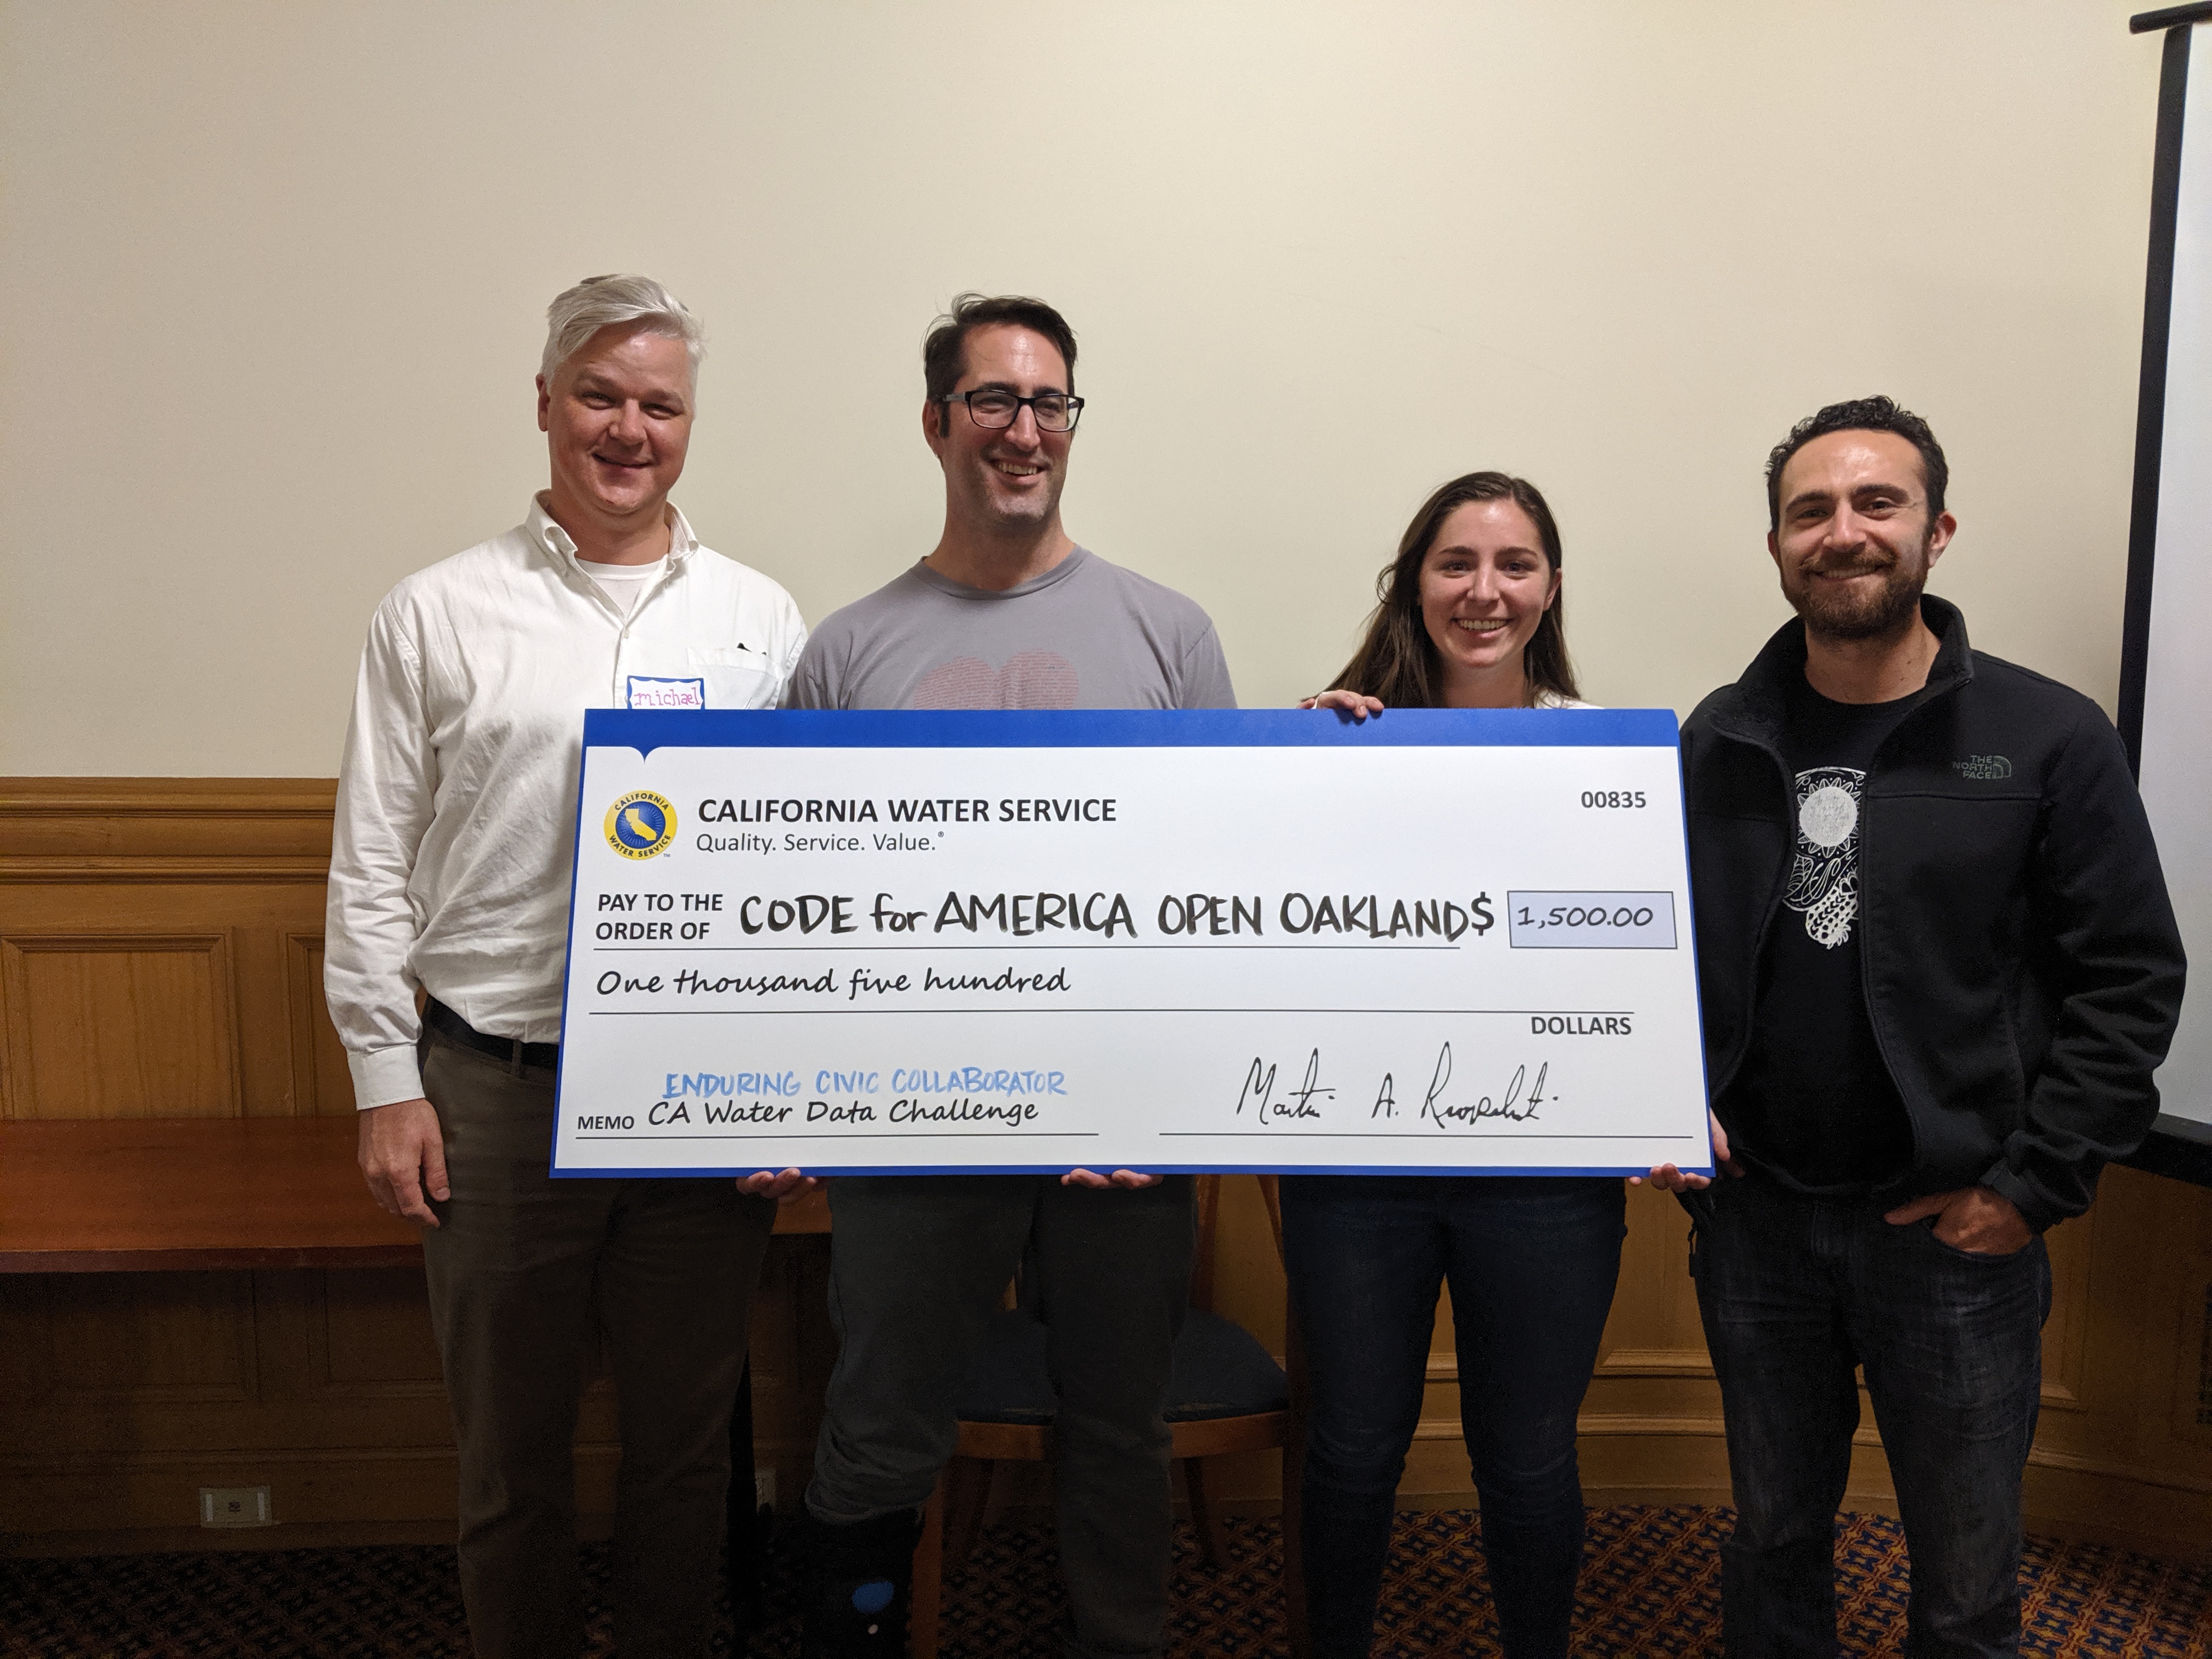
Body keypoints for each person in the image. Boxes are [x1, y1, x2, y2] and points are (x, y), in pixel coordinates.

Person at [1647, 396, 2185, 1657]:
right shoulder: (1715, 740)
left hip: (1956, 1238)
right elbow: (1650, 960)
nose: (1844, 533)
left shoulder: (2049, 738)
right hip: (1757, 1230)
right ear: (1777, 547)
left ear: (1936, 530)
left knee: (1964, 1584)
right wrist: (1672, 1104)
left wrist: (2029, 1188)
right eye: (1811, 511)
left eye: (1876, 503)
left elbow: (2130, 979)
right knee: (1772, 1544)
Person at [326, 274, 809, 1658]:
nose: (628, 429)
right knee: (509, 1466)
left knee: (683, 1456)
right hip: (494, 1090)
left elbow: (797, 869)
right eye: (600, 395)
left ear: (690, 424)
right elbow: (369, 860)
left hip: (698, 1100)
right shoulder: (435, 612)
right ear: (545, 405)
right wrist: (383, 1077)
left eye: (659, 405)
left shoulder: (759, 621)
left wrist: (783, 1087)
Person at [773, 292, 1235, 1659]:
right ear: (937, 424)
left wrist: (1166, 1107)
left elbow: (1221, 893)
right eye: (993, 402)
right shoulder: (848, 653)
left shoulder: (1170, 633)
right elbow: (798, 914)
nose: (1024, 432)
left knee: (1118, 1422)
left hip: (1124, 1133)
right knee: (880, 1418)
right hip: (911, 1120)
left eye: (1050, 406)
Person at [1290, 472, 1626, 1659]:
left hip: (1543, 1178)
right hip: (1355, 1168)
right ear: (1411, 584)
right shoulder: (1323, 743)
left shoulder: (1608, 756)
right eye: (1455, 564)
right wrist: (1289, 774)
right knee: (1352, 1446)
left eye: (1516, 565)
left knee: (1528, 1457)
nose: (1485, 593)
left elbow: (1643, 961)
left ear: (1551, 588)